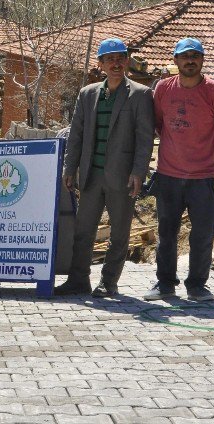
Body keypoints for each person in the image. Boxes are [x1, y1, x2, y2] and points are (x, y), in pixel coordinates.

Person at [54, 39, 155, 297]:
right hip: (90, 174)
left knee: (119, 234)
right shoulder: (87, 94)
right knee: (83, 231)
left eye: (120, 58)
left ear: (127, 62)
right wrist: (69, 168)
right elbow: (75, 134)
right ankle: (79, 280)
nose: (116, 63)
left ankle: (108, 282)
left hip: (122, 177)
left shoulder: (140, 95)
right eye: (109, 59)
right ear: (100, 64)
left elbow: (145, 139)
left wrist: (138, 172)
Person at [145, 38, 214, 302]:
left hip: (203, 176)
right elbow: (159, 124)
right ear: (175, 61)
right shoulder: (163, 89)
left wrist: (201, 151)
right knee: (166, 231)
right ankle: (164, 283)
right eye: (184, 56)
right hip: (169, 175)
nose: (190, 60)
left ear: (202, 60)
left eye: (195, 56)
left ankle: (197, 285)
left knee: (202, 233)